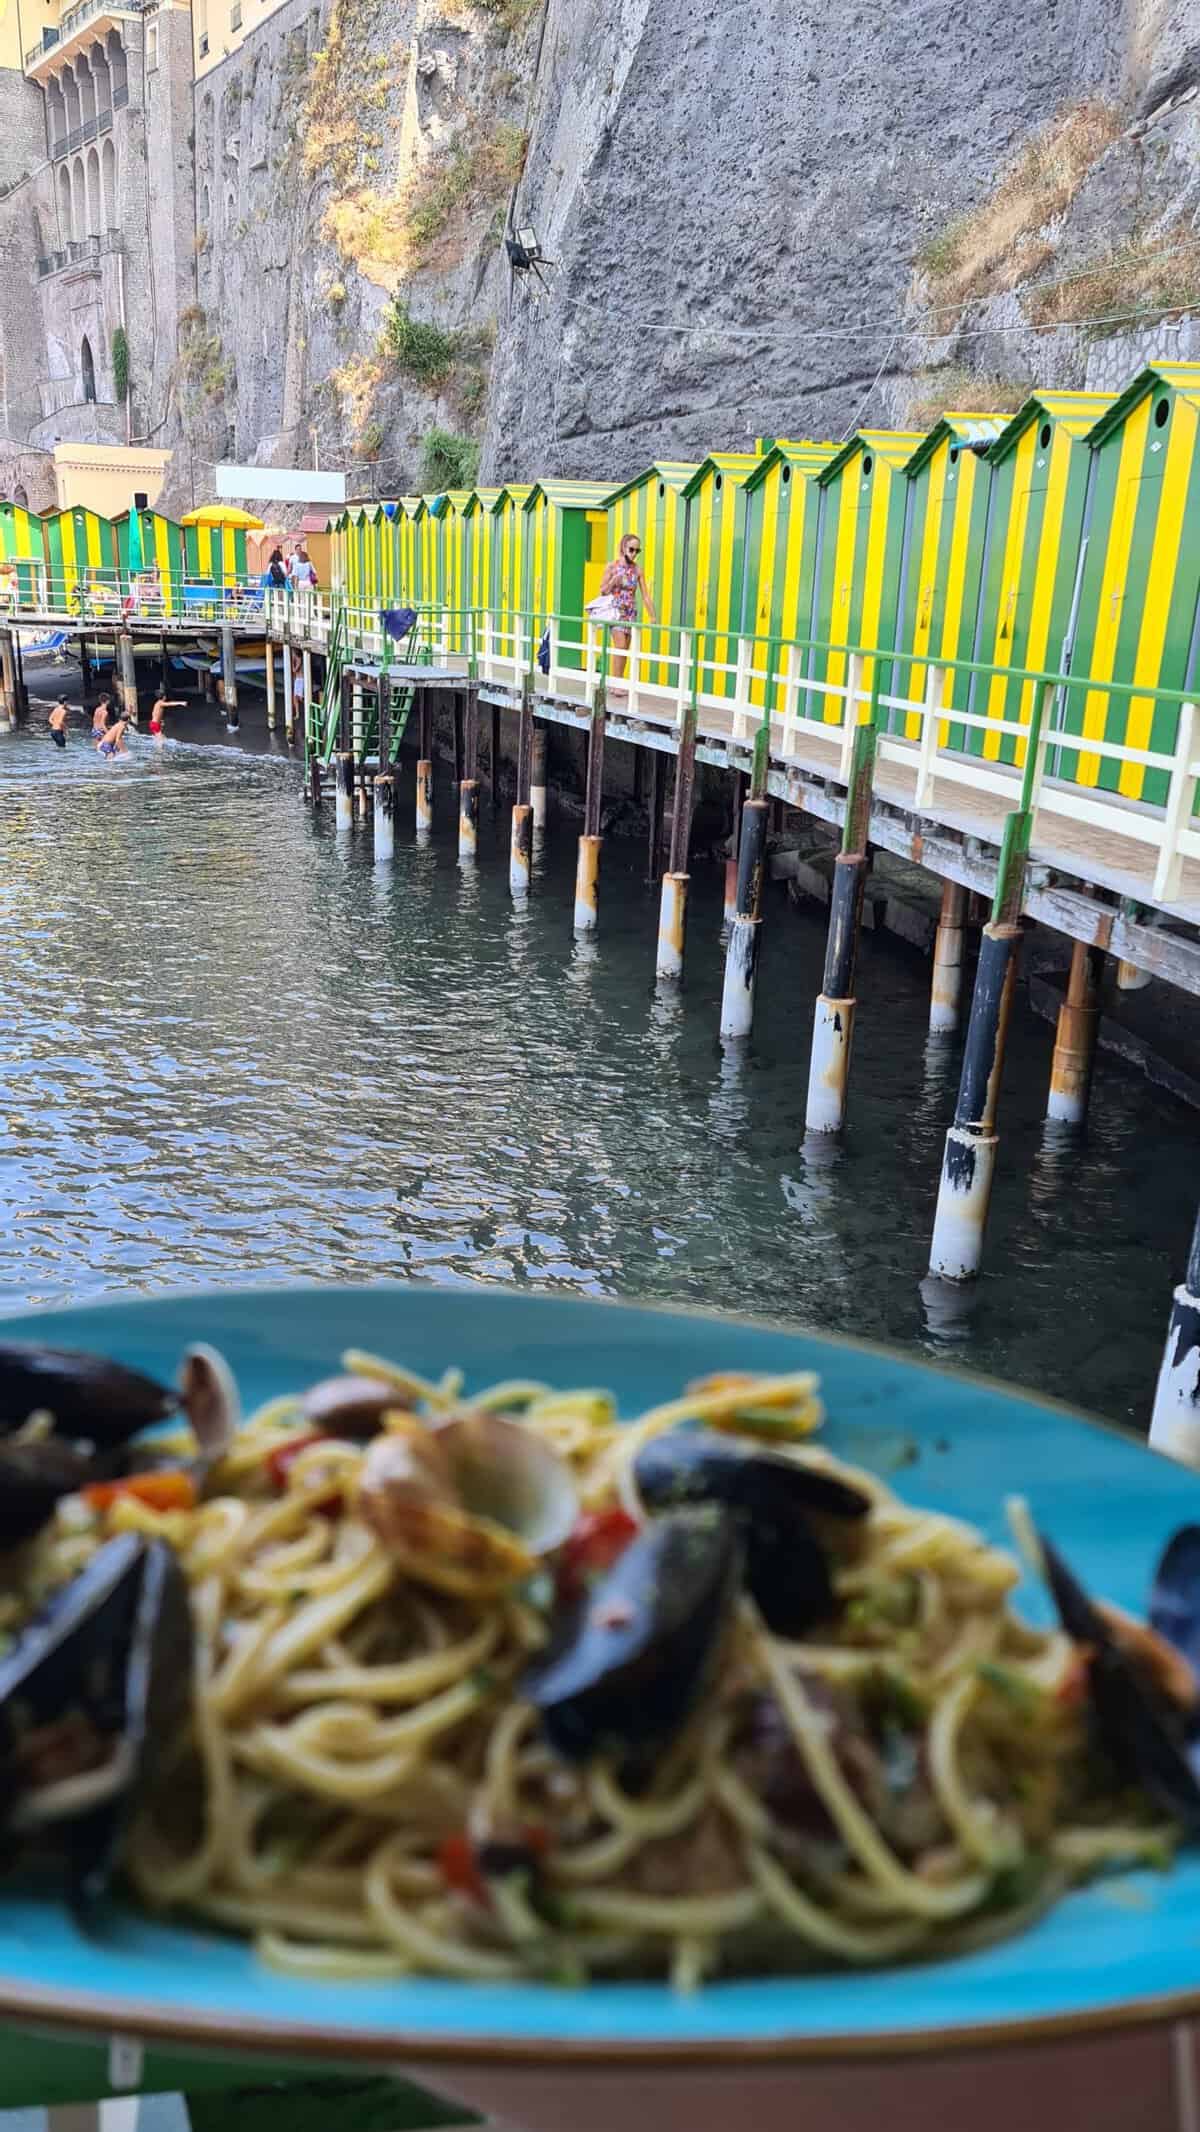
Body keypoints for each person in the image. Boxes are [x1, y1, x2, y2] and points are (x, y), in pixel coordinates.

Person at [598, 533, 657, 687]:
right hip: (616, 611)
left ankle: (618, 682)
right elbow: (603, 591)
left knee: (625, 649)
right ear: (623, 548)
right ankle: (616, 685)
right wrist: (613, 581)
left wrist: (652, 616)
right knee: (620, 646)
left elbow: (645, 595)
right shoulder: (612, 566)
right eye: (631, 549)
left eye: (638, 551)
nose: (634, 554)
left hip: (630, 612)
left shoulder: (638, 570)